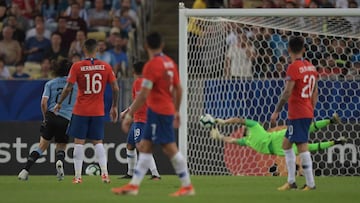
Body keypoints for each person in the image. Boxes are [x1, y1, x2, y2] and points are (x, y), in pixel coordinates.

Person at [112, 32, 195, 196]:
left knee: (170, 149)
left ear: (146, 46)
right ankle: (133, 186)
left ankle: (187, 186)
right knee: (145, 147)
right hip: (161, 111)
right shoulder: (170, 63)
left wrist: (129, 116)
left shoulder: (151, 66)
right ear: (162, 45)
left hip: (158, 112)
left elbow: (143, 95)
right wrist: (176, 110)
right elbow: (179, 89)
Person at [54, 38, 119, 184]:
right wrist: (114, 106)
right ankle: (105, 174)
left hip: (81, 110)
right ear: (97, 50)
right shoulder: (106, 66)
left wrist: (59, 103)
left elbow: (68, 88)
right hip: (98, 111)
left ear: (84, 50)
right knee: (98, 142)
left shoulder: (77, 66)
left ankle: (78, 177)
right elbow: (115, 88)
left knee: (78, 143)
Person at [270, 36, 318, 191]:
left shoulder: (293, 67)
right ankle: (291, 181)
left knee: (302, 145)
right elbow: (315, 91)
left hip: (297, 112)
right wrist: (311, 109)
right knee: (286, 144)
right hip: (306, 110)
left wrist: (276, 111)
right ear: (304, 49)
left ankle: (310, 183)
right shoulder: (311, 67)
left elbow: (287, 92)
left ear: (289, 49)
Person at [18, 59, 77, 181]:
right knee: (61, 145)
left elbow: (43, 103)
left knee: (41, 146)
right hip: (66, 119)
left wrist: (46, 118)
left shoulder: (50, 83)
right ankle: (60, 163)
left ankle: (25, 171)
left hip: (51, 116)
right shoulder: (75, 85)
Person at [209, 113, 345, 156]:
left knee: (305, 129)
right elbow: (232, 140)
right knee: (308, 148)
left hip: (277, 138)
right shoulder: (247, 141)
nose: (241, 126)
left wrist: (223, 121)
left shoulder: (255, 125)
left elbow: (238, 120)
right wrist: (220, 137)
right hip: (278, 150)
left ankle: (330, 121)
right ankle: (336, 142)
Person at [119, 61, 161, 180]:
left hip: (142, 119)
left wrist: (126, 113)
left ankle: (155, 173)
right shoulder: (148, 83)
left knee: (141, 147)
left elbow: (140, 100)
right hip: (139, 119)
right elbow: (138, 101)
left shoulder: (138, 82)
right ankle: (131, 173)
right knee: (130, 145)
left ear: (133, 71)